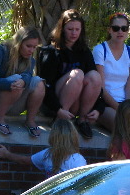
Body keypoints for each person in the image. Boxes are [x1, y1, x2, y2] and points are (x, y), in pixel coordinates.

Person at [38, 9, 101, 138]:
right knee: (77, 74)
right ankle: (59, 121)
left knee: (95, 75)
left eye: (77, 29)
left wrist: (98, 109)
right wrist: (58, 110)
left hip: (77, 103)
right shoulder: (50, 51)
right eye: (70, 29)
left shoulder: (84, 51)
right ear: (62, 29)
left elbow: (98, 86)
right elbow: (45, 85)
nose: (74, 33)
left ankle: (82, 120)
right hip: (55, 104)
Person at [93, 12, 130, 144]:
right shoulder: (100, 50)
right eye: (116, 28)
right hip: (104, 104)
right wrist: (120, 109)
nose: (120, 32)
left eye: (124, 28)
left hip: (124, 104)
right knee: (125, 128)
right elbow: (101, 87)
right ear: (109, 30)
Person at [0, 26, 46, 138]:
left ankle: (30, 120)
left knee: (39, 82)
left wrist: (23, 82)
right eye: (28, 46)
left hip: (15, 102)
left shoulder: (31, 60)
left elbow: (28, 75)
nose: (31, 50)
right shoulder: (0, 50)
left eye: (34, 47)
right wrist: (10, 84)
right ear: (19, 42)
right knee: (16, 79)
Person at [0, 118, 87, 178]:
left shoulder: (48, 154)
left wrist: (7, 154)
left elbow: (24, 160)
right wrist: (6, 154)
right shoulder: (77, 159)